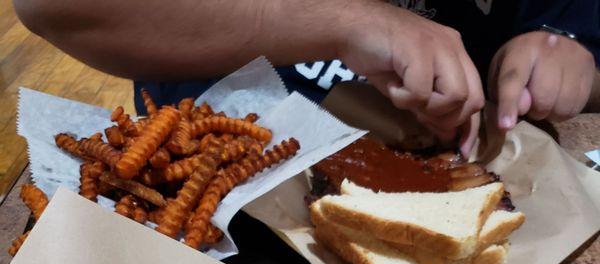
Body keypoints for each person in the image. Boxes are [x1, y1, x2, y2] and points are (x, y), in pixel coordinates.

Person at [13, 0, 599, 155]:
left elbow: (580, 50)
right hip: (225, 210)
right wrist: (343, 21)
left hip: (487, 181)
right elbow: (57, 7)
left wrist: (572, 54)